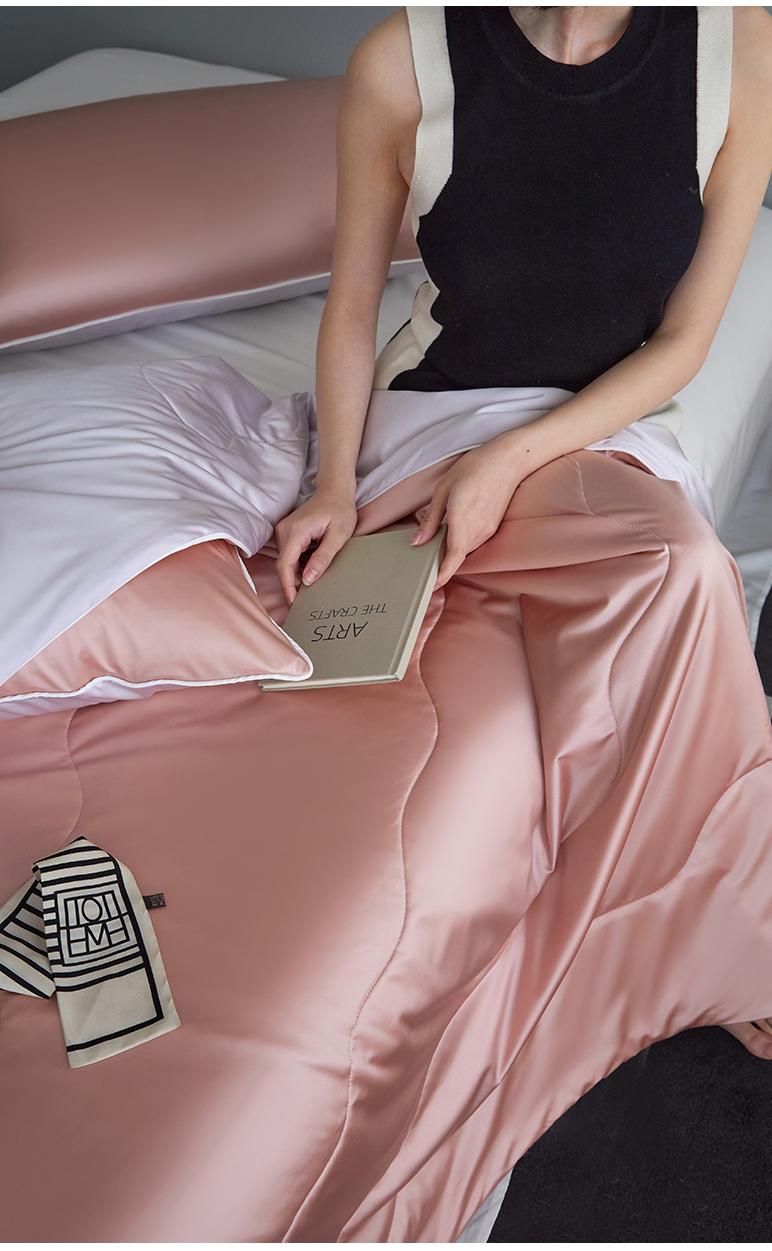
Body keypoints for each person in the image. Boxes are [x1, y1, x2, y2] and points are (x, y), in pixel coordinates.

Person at [274, 6, 772, 1058]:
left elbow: (685, 340)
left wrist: (503, 463)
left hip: (600, 417)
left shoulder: (745, 48)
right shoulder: (402, 63)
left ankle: (717, 932)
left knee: (684, 571)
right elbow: (353, 307)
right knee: (652, 590)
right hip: (437, 411)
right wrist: (332, 484)